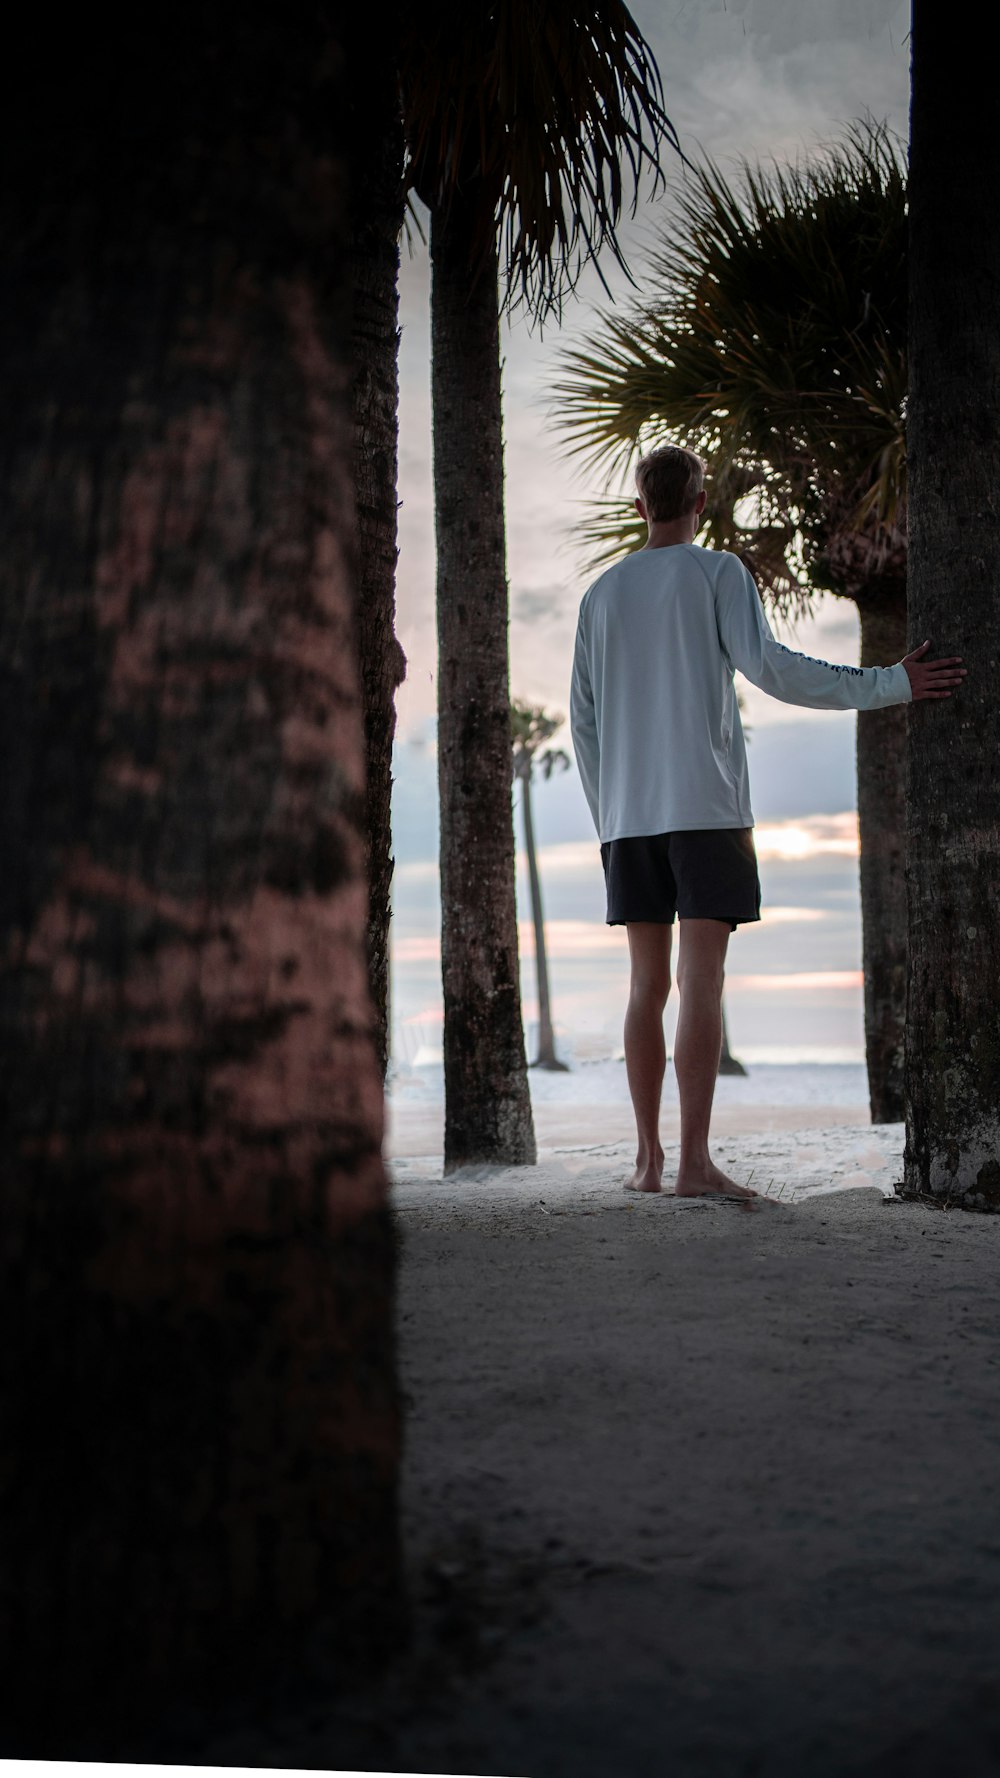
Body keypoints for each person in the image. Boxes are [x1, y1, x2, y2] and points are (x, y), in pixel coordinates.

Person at [569, 445, 966, 1200]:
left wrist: (610, 813)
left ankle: (648, 1164)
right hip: (706, 813)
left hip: (626, 822)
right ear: (701, 500)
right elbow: (772, 668)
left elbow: (582, 721)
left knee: (645, 986)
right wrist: (891, 683)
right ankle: (692, 1166)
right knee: (701, 983)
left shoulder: (601, 595)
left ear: (638, 506)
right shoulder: (718, 572)